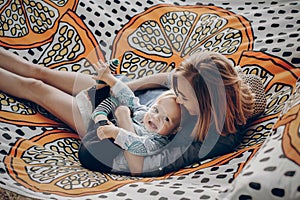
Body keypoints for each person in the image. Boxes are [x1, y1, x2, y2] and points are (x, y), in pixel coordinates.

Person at [0, 48, 266, 176]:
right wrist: (123, 85)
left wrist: (124, 118)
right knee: (39, 72)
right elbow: (171, 78)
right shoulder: (212, 83)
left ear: (206, 105)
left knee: (35, 87)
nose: (178, 98)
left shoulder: (206, 141)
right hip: (132, 101)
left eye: (182, 98)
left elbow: (140, 165)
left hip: (114, 134)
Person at [82, 64, 182, 157]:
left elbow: (140, 146)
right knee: (116, 102)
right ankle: (101, 86)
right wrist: (111, 80)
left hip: (108, 152)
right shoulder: (144, 113)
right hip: (103, 128)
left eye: (167, 119)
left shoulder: (158, 142)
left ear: (174, 130)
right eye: (155, 110)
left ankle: (99, 93)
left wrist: (116, 132)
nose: (156, 117)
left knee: (120, 111)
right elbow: (130, 99)